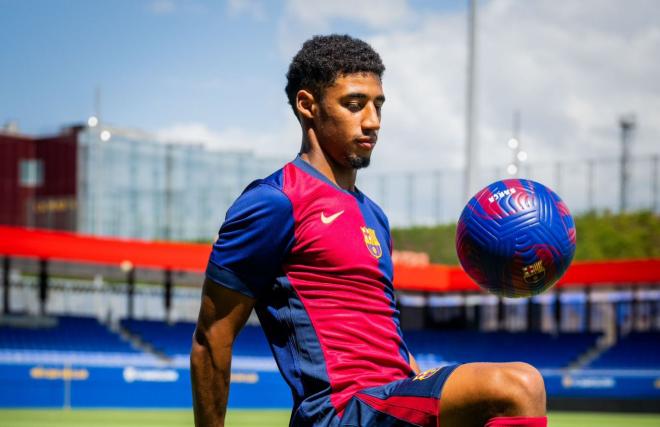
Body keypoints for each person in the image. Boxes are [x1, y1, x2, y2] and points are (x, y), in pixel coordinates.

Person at [191, 34, 548, 427]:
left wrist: (421, 382)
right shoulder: (275, 202)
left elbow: (384, 334)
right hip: (340, 411)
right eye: (354, 104)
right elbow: (212, 338)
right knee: (519, 385)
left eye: (378, 105)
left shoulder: (373, 215)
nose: (373, 121)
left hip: (389, 399)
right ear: (308, 105)